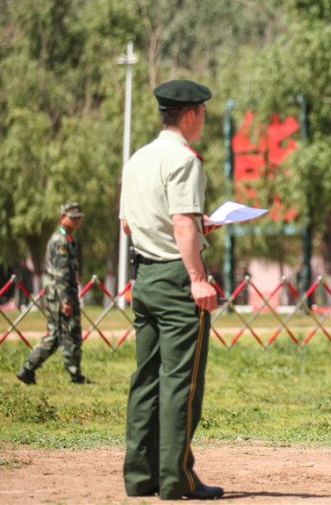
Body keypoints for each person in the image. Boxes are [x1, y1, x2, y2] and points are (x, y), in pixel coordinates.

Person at [119, 79, 223, 501]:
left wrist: (197, 226)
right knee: (181, 381)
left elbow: (129, 224)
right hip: (176, 280)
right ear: (192, 114)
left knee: (146, 378)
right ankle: (177, 477)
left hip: (144, 278)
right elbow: (180, 221)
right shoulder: (184, 159)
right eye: (203, 113)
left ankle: (140, 476)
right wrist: (198, 278)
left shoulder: (138, 159)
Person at [16, 202, 88, 385]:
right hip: (61, 295)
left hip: (62, 294)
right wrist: (66, 301)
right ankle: (72, 375)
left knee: (58, 334)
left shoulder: (66, 239)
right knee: (66, 333)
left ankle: (30, 369)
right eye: (73, 217)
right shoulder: (60, 242)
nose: (77, 221)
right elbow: (61, 274)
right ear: (62, 218)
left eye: (79, 217)